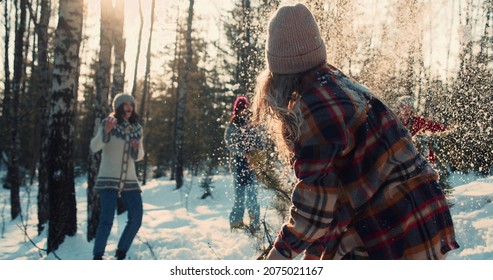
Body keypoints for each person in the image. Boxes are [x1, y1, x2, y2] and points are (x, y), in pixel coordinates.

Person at [251, 3, 459, 260]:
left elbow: (314, 210)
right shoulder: (341, 85)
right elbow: (336, 198)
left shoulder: (313, 109)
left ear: (279, 76)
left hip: (393, 226)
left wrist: (278, 258)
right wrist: (315, 256)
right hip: (420, 215)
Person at [90, 93, 144, 260]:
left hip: (129, 180)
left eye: (131, 104)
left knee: (136, 218)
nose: (129, 107)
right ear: (118, 107)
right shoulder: (109, 123)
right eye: (125, 104)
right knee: (106, 220)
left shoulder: (137, 128)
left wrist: (136, 148)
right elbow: (94, 147)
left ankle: (121, 253)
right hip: (108, 179)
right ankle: (98, 256)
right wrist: (105, 132)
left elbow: (140, 155)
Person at [224, 96, 260, 233]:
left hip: (251, 166)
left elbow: (258, 141)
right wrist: (242, 152)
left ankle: (255, 224)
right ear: (237, 110)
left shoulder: (251, 124)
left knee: (252, 197)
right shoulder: (232, 125)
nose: (244, 112)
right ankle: (236, 224)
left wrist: (255, 154)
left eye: (245, 109)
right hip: (238, 166)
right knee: (239, 198)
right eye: (241, 109)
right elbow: (229, 143)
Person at [395, 95, 448, 165]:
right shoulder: (393, 122)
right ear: (399, 109)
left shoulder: (417, 121)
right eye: (404, 107)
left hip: (416, 158)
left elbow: (434, 126)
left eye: (409, 107)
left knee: (421, 140)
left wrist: (449, 130)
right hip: (398, 156)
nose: (407, 110)